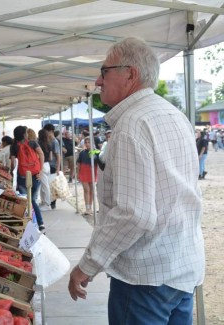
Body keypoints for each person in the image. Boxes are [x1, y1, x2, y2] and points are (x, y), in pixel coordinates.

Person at [68, 37, 204, 325]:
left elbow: (134, 214)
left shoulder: (133, 124)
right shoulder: (174, 115)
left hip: (146, 276)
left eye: (105, 71)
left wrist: (87, 265)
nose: (98, 80)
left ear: (130, 74)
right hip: (181, 267)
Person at [9, 126, 45, 232]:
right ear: (25, 135)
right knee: (32, 200)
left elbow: (12, 162)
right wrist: (41, 170)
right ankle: (40, 223)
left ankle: (30, 223)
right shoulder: (33, 143)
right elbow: (41, 154)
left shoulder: (14, 146)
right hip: (35, 175)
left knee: (26, 200)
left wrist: (12, 172)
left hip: (22, 177)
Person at [76, 137, 98, 215]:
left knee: (91, 190)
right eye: (86, 142)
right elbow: (78, 164)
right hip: (84, 172)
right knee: (86, 189)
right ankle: (87, 208)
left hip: (93, 172)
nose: (87, 144)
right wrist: (78, 173)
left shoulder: (96, 152)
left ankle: (90, 207)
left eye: (89, 142)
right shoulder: (82, 153)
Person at [43, 124, 61, 209]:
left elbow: (58, 156)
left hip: (53, 166)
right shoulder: (48, 140)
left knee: (52, 185)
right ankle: (50, 202)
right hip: (49, 165)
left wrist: (58, 168)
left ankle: (53, 203)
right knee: (49, 185)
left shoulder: (55, 142)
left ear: (51, 131)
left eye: (46, 131)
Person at [37, 129, 52, 211]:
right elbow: (51, 157)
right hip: (47, 165)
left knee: (44, 185)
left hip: (41, 165)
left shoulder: (38, 144)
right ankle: (44, 202)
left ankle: (47, 203)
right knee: (45, 185)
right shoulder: (49, 144)